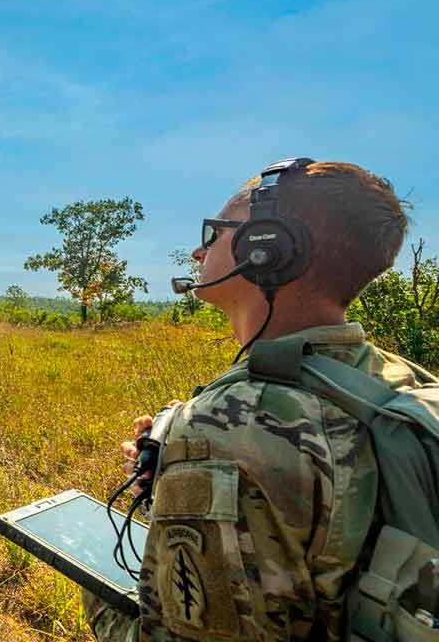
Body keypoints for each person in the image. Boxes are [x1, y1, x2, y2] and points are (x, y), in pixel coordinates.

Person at [83, 160, 436, 641]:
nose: (197, 250)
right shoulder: (400, 380)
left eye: (216, 233)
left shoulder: (230, 428)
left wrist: (97, 592)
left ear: (268, 247)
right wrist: (181, 476)